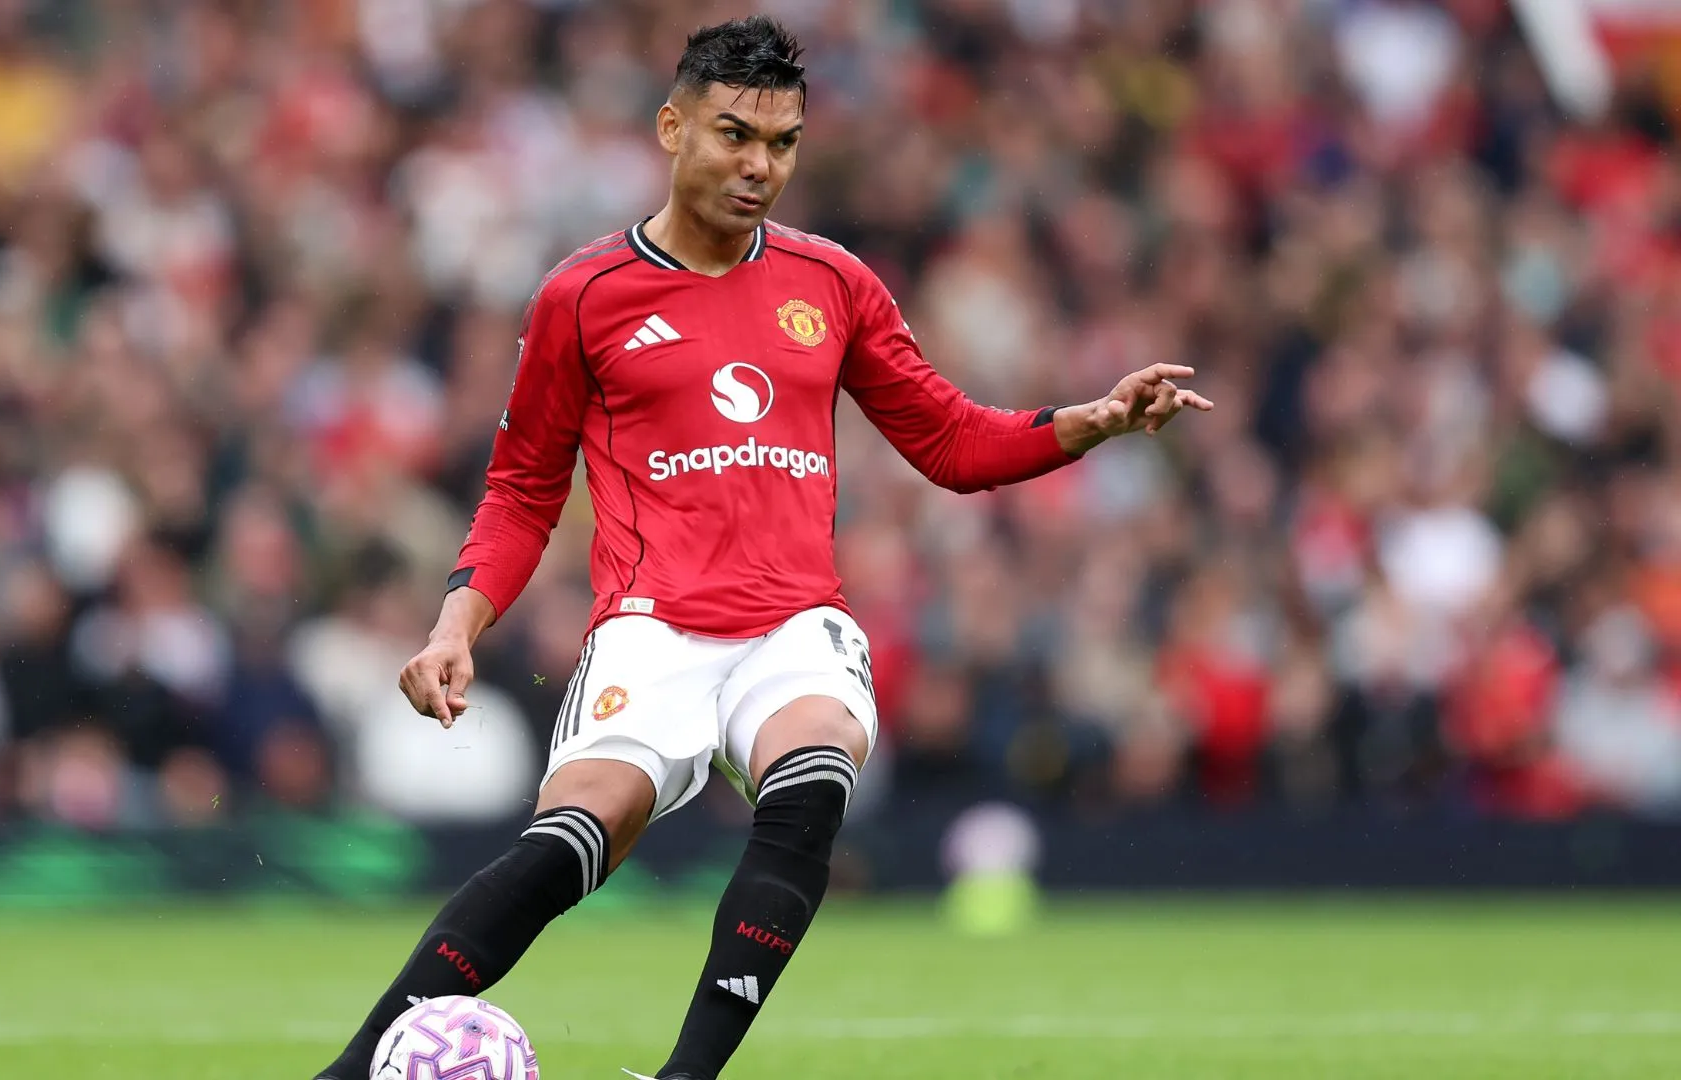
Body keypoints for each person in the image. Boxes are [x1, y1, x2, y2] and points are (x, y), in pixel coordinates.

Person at [315, 15, 1210, 1080]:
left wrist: (1094, 420)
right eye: (735, 134)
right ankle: (349, 1072)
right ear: (671, 128)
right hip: (650, 631)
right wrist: (457, 624)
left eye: (782, 143)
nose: (760, 166)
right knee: (570, 845)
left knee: (813, 770)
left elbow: (952, 443)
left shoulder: (832, 283)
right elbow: (521, 490)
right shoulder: (584, 296)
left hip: (794, 624)